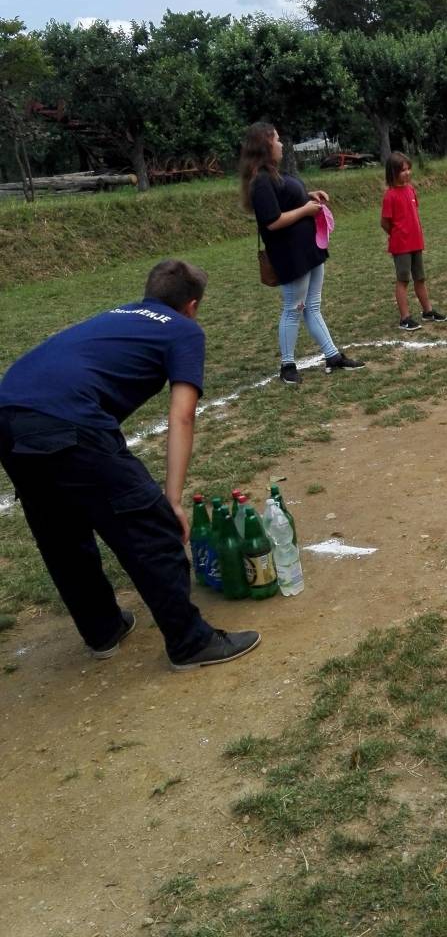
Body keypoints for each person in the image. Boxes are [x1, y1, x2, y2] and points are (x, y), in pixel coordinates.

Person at [0, 261, 261, 671]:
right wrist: (172, 500)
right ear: (191, 306)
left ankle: (103, 630)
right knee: (150, 525)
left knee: (61, 530)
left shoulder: (118, 313)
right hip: (66, 420)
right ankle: (191, 642)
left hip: (8, 414)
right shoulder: (183, 329)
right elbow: (182, 416)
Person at [241, 122, 364, 386]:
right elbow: (272, 220)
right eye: (276, 139)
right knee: (293, 308)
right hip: (291, 255)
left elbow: (285, 198)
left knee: (313, 306)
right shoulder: (260, 180)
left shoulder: (273, 173)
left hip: (308, 249)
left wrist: (308, 196)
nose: (281, 144)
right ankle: (287, 365)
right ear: (265, 145)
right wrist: (306, 211)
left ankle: (332, 356)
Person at [381, 152, 447, 331]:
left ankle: (428, 311)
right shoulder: (390, 195)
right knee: (403, 280)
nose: (408, 173)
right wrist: (397, 235)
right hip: (401, 245)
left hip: (415, 242)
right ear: (393, 172)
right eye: (403, 170)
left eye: (409, 169)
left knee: (420, 278)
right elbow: (385, 222)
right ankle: (405, 318)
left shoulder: (410, 189)